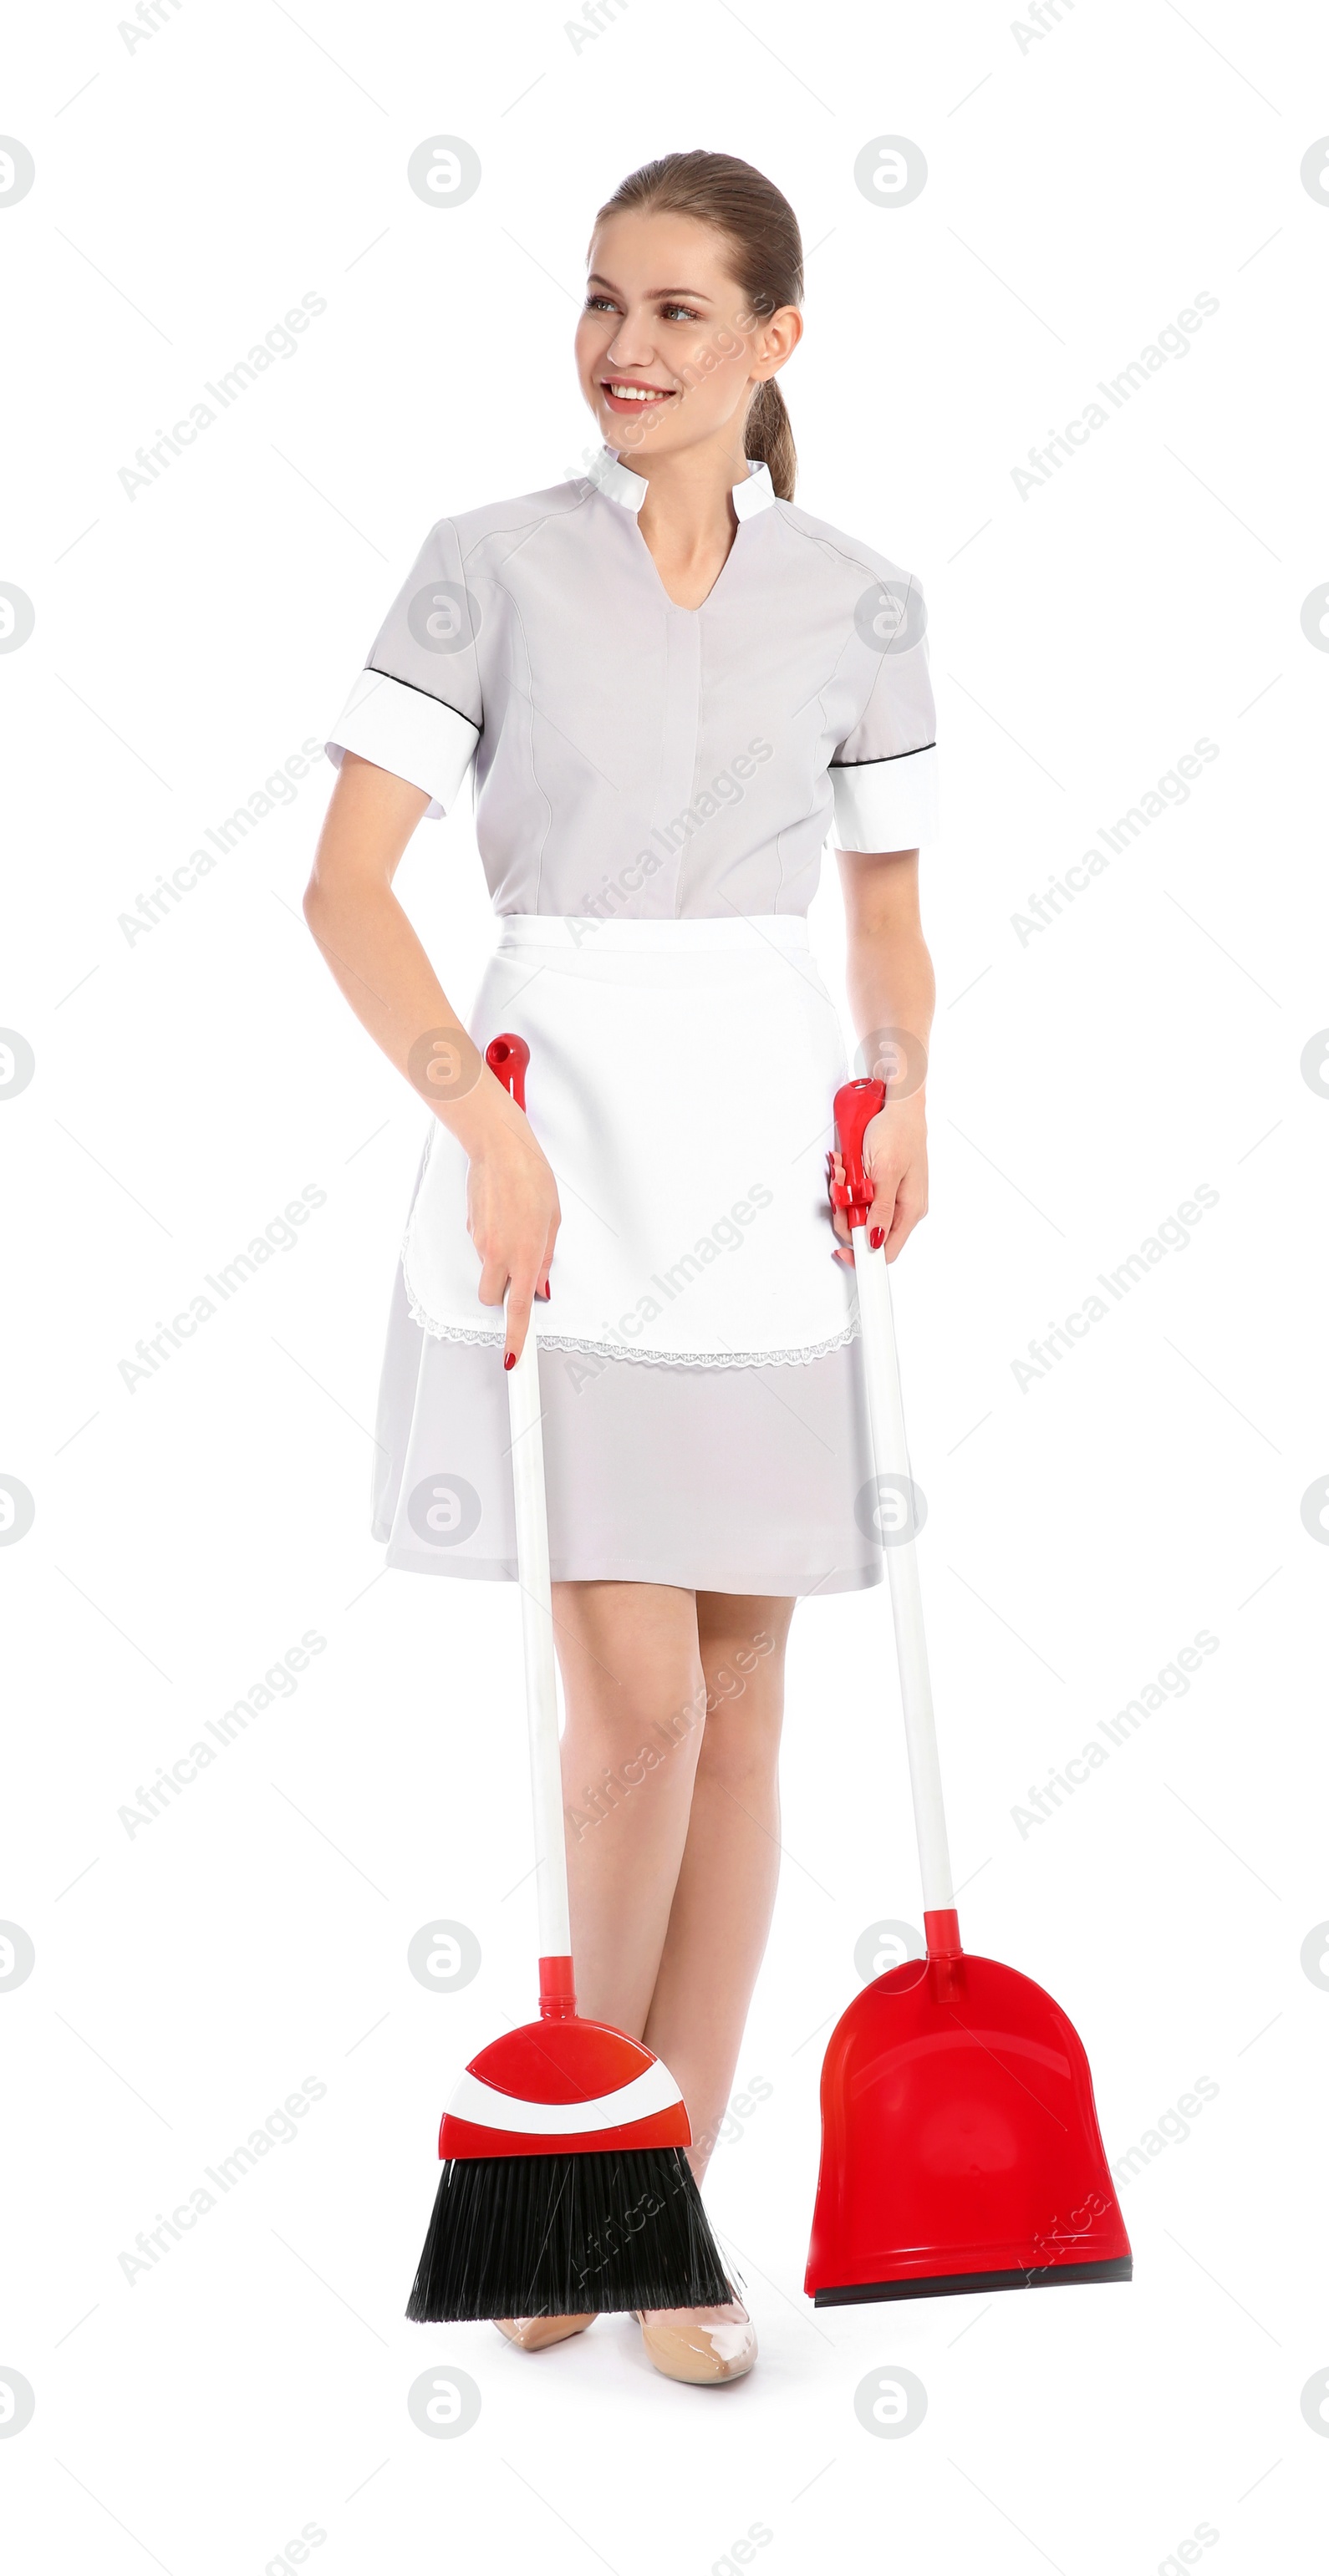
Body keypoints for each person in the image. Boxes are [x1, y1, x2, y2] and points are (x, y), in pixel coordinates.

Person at [304, 149, 937, 2385]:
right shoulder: (483, 571)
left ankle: (657, 2217)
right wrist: (478, 1126)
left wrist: (907, 1081)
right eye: (601, 300)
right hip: (558, 1149)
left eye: (679, 309)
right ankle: (586, 2172)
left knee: (747, 1712)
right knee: (634, 1716)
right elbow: (347, 892)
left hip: (768, 1158)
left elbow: (883, 910)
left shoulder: (859, 598)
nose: (626, 347)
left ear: (776, 343)